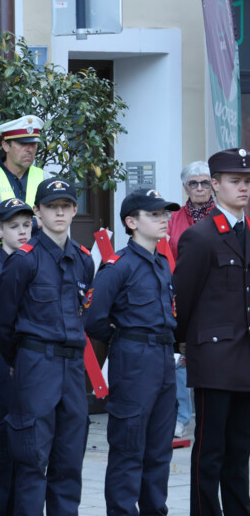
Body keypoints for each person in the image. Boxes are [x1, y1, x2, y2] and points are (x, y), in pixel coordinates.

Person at [0, 178, 94, 516]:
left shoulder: (83, 259)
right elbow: (3, 322)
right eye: (52, 206)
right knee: (32, 461)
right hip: (36, 364)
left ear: (75, 210)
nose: (59, 212)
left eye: (65, 206)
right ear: (38, 211)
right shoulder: (24, 260)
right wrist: (20, 359)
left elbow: (83, 311)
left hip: (72, 369)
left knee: (69, 462)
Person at [86, 189, 180, 516]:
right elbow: (94, 319)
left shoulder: (162, 264)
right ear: (131, 222)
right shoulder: (118, 266)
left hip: (163, 360)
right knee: (128, 448)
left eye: (164, 214)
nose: (163, 219)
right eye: (154, 214)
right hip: (134, 359)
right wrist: (125, 340)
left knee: (159, 450)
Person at [174, 148, 250, 516]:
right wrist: (185, 344)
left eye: (247, 181)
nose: (243, 188)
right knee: (210, 451)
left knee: (240, 451)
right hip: (214, 357)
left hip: (245, 359)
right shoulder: (200, 236)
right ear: (216, 186)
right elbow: (184, 298)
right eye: (235, 181)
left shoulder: (248, 232)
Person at [0, 198, 33, 516]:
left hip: (29, 360)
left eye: (27, 225)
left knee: (25, 441)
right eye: (14, 226)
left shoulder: (34, 261)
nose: (22, 232)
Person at [168, 161, 212, 439]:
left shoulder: (223, 217)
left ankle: (211, 415)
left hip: (215, 296)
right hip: (181, 295)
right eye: (193, 183)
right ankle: (182, 416)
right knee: (181, 357)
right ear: (185, 187)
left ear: (213, 185)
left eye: (204, 182)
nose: (199, 188)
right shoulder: (172, 218)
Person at [0, 115, 46, 223]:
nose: (29, 149)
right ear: (5, 146)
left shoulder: (45, 178)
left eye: (33, 144)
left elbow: (53, 221)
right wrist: (36, 223)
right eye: (23, 143)